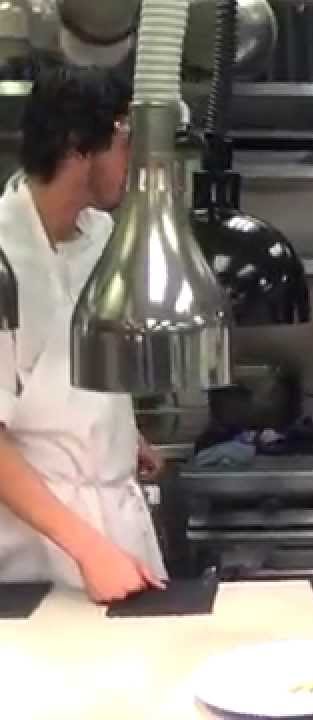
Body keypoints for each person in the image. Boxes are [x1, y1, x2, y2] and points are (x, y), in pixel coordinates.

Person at [0, 64, 167, 602]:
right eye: (125, 143)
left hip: (117, 526)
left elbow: (63, 368)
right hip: (37, 552)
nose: (135, 163)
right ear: (77, 144)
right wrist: (89, 550)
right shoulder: (5, 256)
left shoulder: (100, 236)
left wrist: (116, 432)